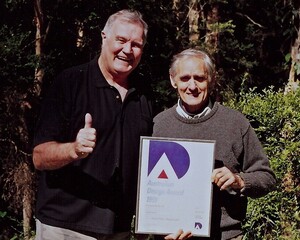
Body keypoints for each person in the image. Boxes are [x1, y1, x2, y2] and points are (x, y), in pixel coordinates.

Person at [33, 9, 153, 240]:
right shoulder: (69, 83)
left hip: (119, 229)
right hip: (65, 227)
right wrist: (74, 150)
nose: (128, 50)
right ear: (104, 37)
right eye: (121, 40)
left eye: (136, 44)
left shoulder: (144, 95)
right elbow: (39, 157)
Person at [152, 48, 276, 240]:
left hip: (226, 236)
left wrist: (239, 180)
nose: (192, 86)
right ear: (173, 80)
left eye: (199, 78)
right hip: (171, 236)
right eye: (185, 78)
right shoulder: (158, 125)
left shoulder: (235, 123)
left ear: (210, 79)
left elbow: (267, 178)